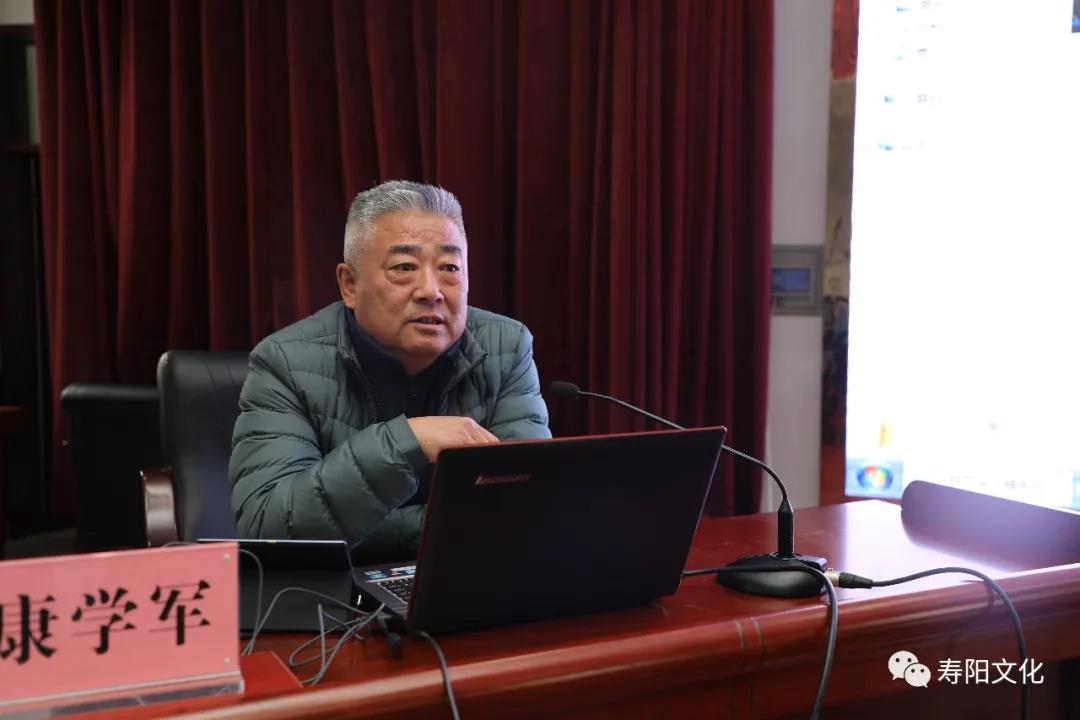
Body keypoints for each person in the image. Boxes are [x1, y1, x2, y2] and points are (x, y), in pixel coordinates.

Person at [229, 180, 551, 562]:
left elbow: (527, 513)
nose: (431, 291)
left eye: (449, 267)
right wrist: (406, 442)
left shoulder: (507, 347)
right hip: (334, 592)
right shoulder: (284, 363)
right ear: (349, 285)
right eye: (404, 267)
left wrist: (380, 529)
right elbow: (268, 532)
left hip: (461, 581)